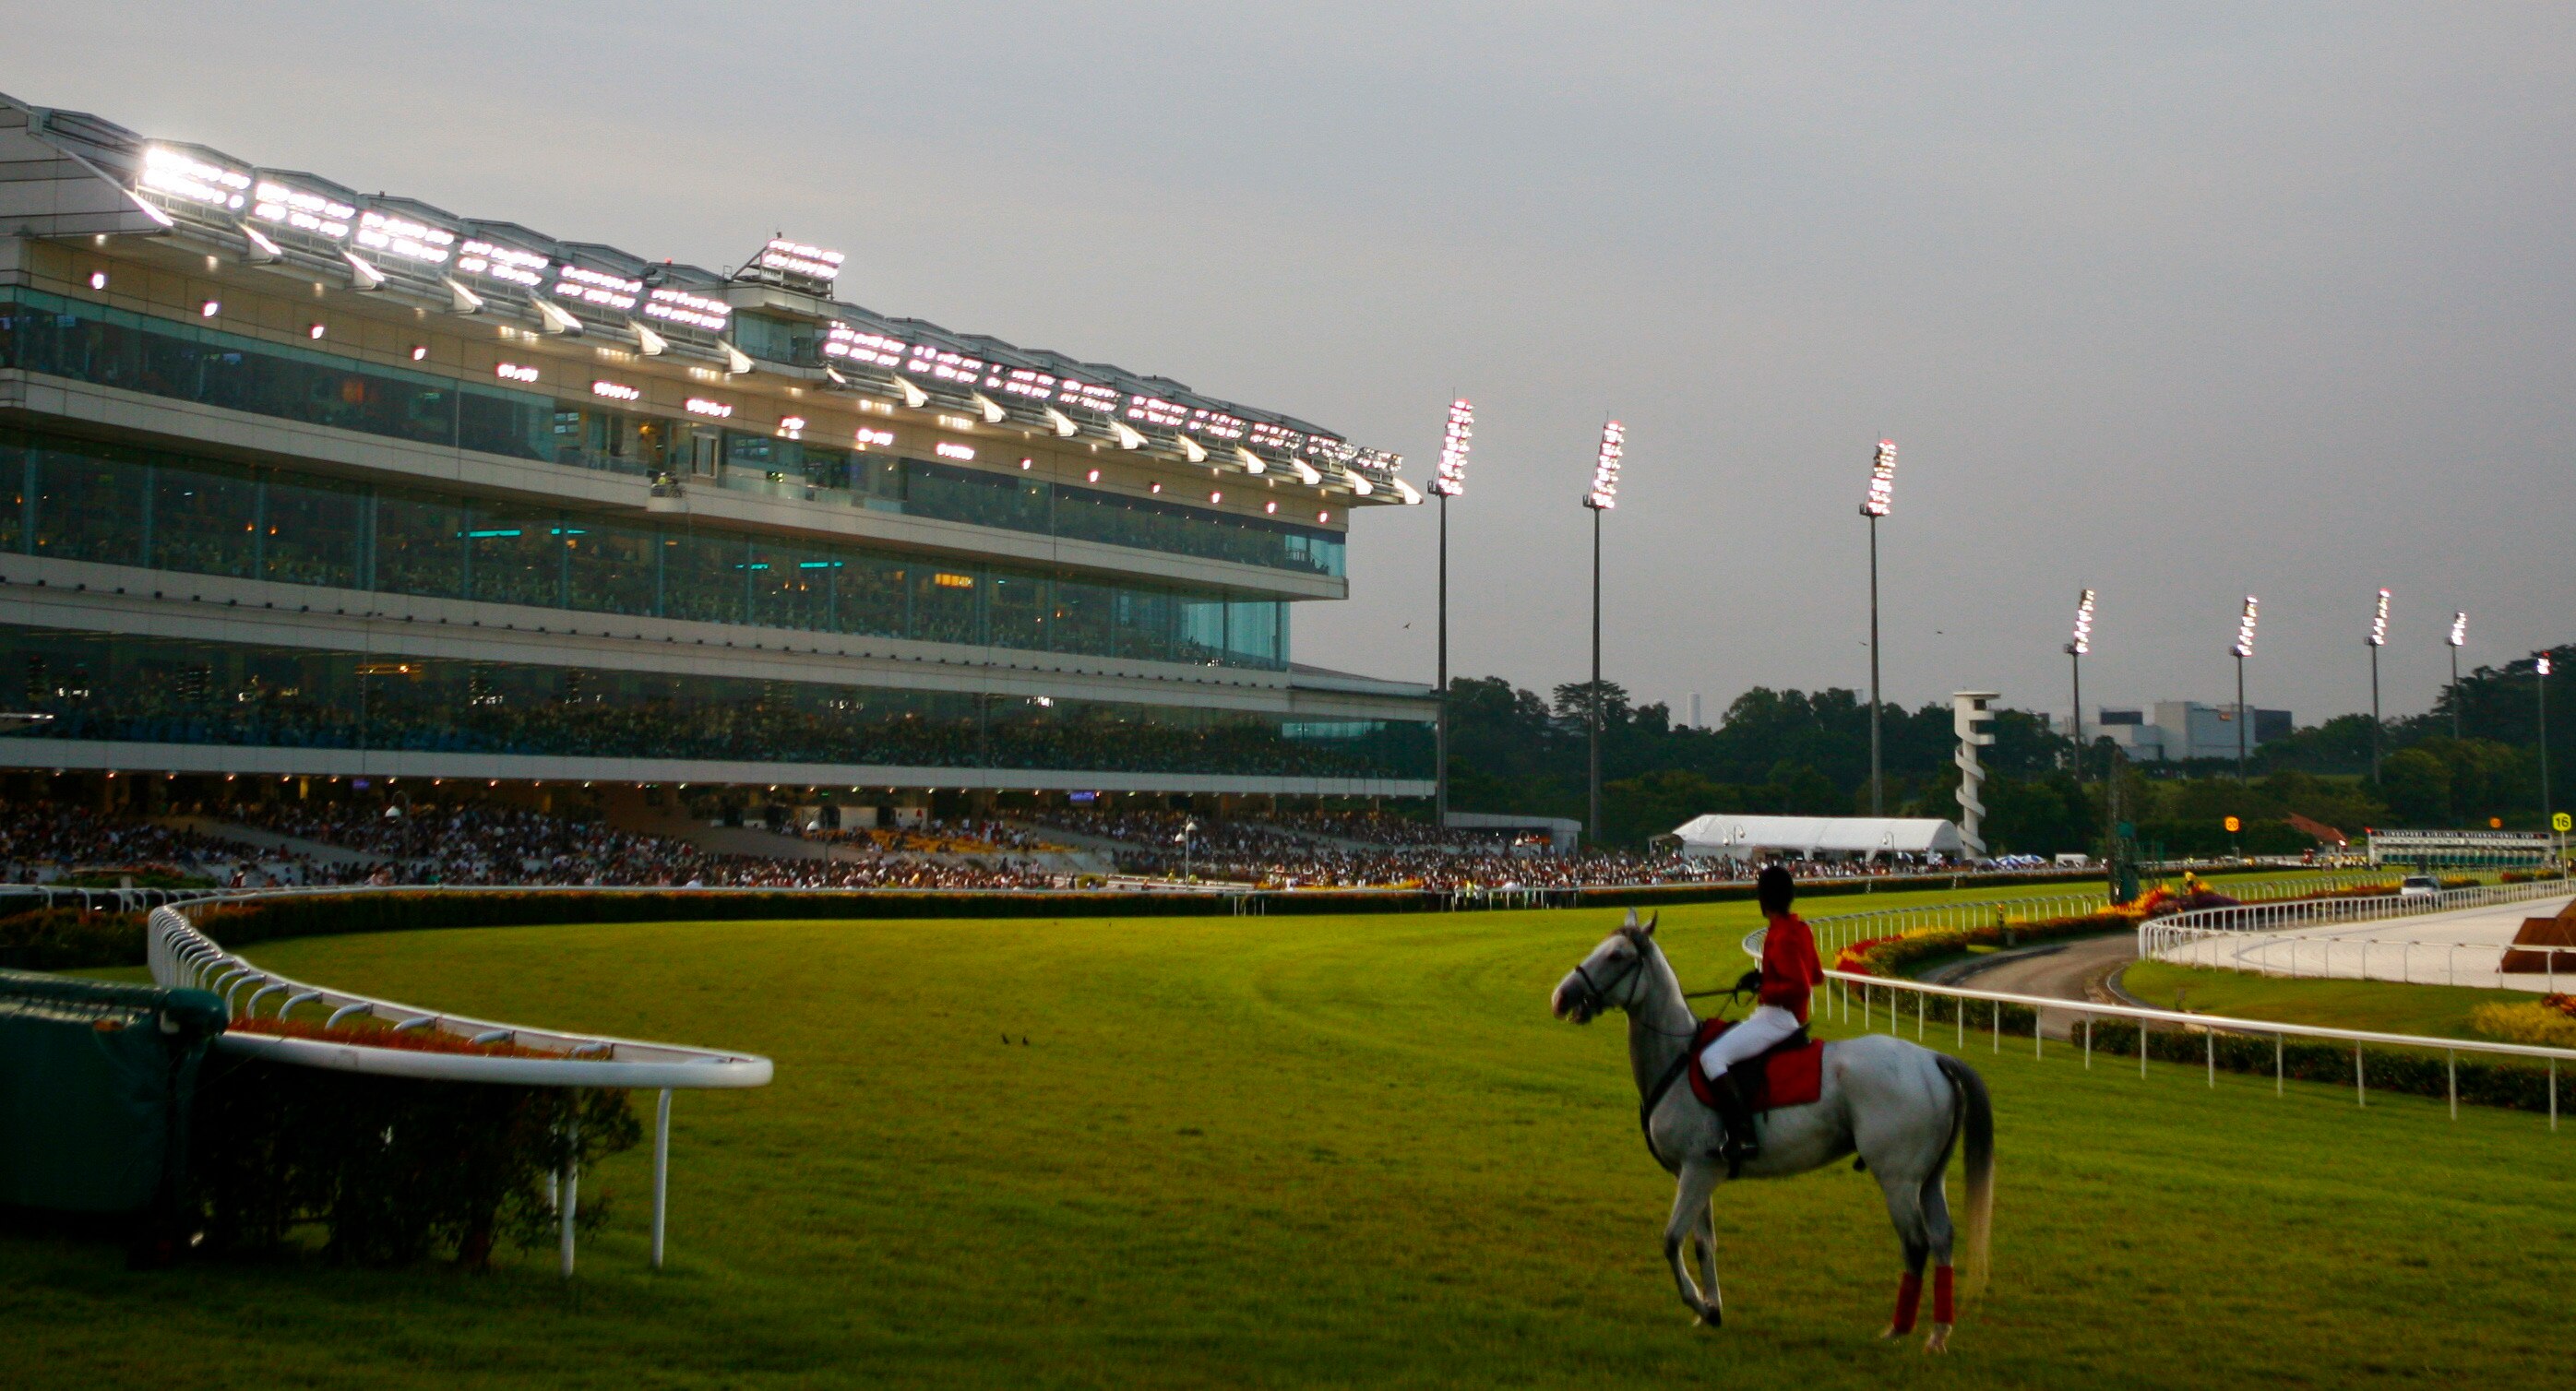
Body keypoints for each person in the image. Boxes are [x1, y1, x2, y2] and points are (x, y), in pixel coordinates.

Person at [1699, 862, 1822, 1169]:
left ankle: (1743, 1134)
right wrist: (1763, 979)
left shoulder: (1782, 935)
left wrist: (1764, 984)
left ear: (1763, 899)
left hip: (1778, 1018)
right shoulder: (1800, 928)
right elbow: (1817, 975)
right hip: (1779, 1015)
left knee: (1710, 1058)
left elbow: (1801, 986)